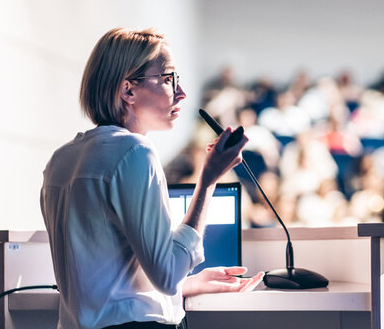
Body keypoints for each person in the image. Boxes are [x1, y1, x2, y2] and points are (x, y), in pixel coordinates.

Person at [40, 28, 264, 329]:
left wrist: (188, 284)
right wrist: (208, 180)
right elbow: (168, 273)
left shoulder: (60, 160)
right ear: (128, 91)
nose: (182, 93)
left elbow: (106, 282)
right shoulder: (134, 152)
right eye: (169, 79)